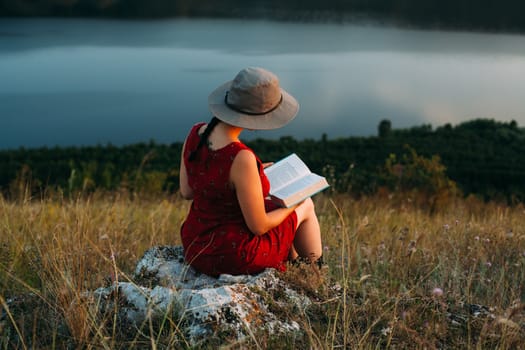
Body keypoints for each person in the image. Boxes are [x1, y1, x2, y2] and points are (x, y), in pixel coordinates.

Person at [179, 67, 323, 276]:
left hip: (196, 245)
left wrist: (253, 175)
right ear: (257, 119)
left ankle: (296, 265)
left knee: (280, 210)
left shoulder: (195, 132)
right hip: (232, 255)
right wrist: (295, 204)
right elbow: (259, 226)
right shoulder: (241, 157)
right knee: (306, 205)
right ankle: (315, 276)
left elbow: (187, 191)